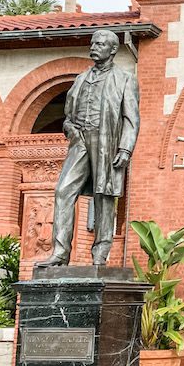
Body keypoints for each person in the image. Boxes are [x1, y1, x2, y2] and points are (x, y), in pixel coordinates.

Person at [37, 29, 140, 267]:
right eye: (93, 43)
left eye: (101, 44)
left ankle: (100, 253)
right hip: (80, 141)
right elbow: (67, 117)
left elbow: (131, 118)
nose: (94, 47)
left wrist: (125, 149)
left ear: (113, 49)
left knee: (103, 196)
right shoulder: (80, 79)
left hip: (107, 143)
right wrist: (70, 129)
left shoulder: (125, 79)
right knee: (63, 191)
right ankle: (60, 253)